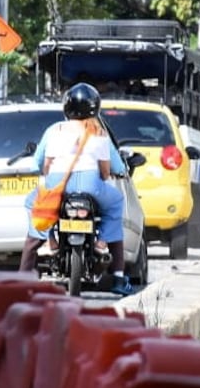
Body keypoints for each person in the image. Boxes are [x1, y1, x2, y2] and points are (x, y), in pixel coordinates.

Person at [17, 82, 133, 295]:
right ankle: (107, 253)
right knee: (116, 203)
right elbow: (109, 172)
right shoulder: (99, 133)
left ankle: (46, 244)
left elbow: (39, 165)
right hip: (91, 186)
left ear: (66, 107)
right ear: (95, 107)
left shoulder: (53, 130)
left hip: (57, 183)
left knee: (33, 204)